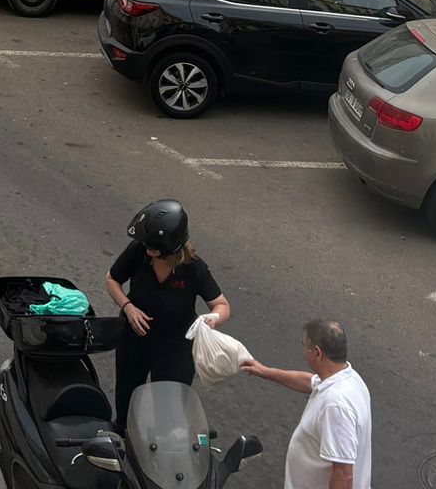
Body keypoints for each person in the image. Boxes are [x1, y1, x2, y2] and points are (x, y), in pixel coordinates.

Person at [103, 198, 229, 423]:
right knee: (127, 404)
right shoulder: (138, 251)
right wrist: (128, 307)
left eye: (153, 248)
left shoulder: (193, 268)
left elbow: (221, 305)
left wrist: (210, 320)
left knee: (169, 412)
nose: (148, 251)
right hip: (135, 340)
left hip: (175, 348)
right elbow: (112, 279)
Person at [240, 319, 372, 489]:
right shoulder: (348, 377)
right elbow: (308, 381)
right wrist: (265, 372)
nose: (302, 349)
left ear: (317, 352)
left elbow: (344, 476)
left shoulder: (336, 405)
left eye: (304, 344)